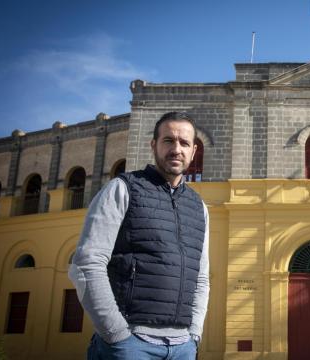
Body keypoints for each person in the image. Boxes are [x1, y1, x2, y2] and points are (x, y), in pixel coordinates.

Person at [69, 112, 209, 359]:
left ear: (194, 151)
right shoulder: (122, 188)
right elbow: (86, 264)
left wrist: (194, 334)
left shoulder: (199, 207)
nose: (176, 149)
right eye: (168, 140)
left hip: (183, 348)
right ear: (153, 145)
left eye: (184, 143)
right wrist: (117, 335)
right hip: (130, 345)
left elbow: (201, 278)